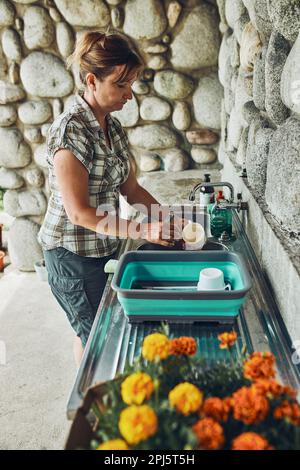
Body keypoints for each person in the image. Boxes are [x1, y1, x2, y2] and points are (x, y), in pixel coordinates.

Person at [38, 31, 181, 367]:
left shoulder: (112, 128)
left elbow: (130, 190)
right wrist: (142, 231)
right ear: (92, 80)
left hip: (102, 249)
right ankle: (94, 412)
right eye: (120, 84)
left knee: (96, 332)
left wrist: (167, 218)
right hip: (71, 257)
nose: (129, 94)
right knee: (97, 340)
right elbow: (79, 214)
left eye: (131, 83)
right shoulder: (69, 131)